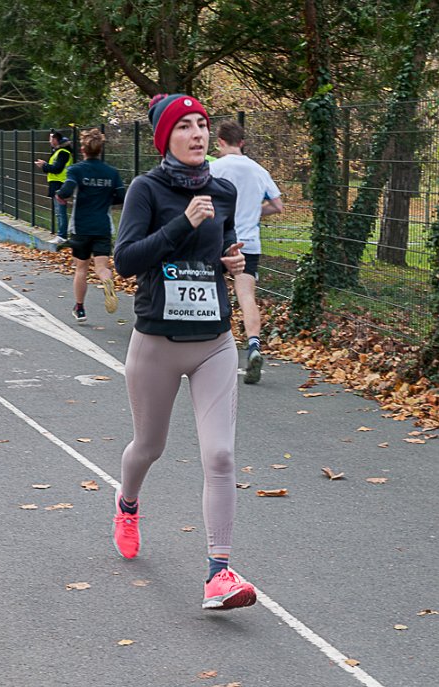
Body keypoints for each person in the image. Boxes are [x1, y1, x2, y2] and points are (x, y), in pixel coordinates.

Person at [112, 93, 256, 611]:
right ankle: (128, 503)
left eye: (202, 124)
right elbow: (126, 260)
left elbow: (224, 248)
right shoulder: (146, 189)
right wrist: (183, 224)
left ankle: (219, 573)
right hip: (157, 343)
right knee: (148, 447)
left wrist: (231, 262)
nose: (197, 133)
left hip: (214, 342)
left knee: (220, 455)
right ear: (165, 138)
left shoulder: (222, 190)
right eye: (185, 126)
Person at [210, 120, 283, 384]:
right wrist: (253, 212)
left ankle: (210, 348)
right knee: (246, 296)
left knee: (211, 290)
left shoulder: (214, 168)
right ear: (242, 142)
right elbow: (277, 205)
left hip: (217, 239)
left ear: (220, 141)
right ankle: (253, 346)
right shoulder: (258, 170)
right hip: (248, 244)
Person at [55, 128, 125, 322]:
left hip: (81, 228)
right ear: (100, 150)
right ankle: (107, 280)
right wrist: (105, 200)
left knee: (81, 269)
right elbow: (121, 196)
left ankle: (80, 309)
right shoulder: (111, 172)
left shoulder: (76, 170)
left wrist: (60, 195)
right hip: (103, 227)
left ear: (83, 150)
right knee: (101, 267)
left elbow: (67, 189)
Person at [34, 130, 73, 242]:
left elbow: (57, 169)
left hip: (60, 184)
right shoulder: (58, 152)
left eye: (51, 138)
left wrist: (44, 165)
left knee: (60, 211)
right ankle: (61, 235)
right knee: (58, 211)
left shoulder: (63, 152)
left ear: (56, 140)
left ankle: (62, 236)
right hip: (57, 184)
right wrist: (45, 165)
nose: (49, 141)